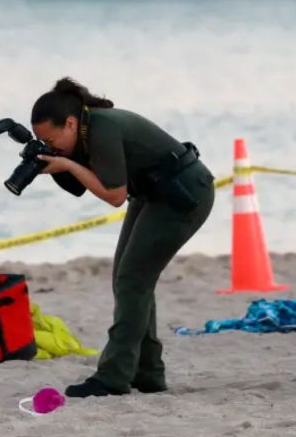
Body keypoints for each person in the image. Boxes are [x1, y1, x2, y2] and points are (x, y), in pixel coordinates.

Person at [29, 78, 215, 397]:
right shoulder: (86, 131)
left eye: (51, 138)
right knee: (127, 278)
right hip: (152, 194)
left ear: (71, 123)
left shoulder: (102, 128)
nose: (51, 146)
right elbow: (86, 185)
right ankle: (148, 373)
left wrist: (68, 165)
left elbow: (114, 195)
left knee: (133, 279)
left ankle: (114, 376)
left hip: (184, 195)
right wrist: (57, 163)